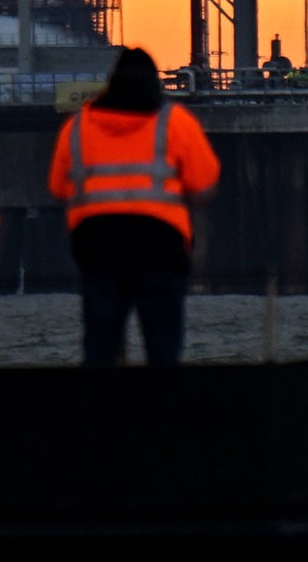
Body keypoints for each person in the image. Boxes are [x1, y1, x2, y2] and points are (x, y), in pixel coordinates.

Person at [50, 47, 220, 367]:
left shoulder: (78, 126)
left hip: (97, 246)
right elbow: (205, 184)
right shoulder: (175, 123)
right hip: (159, 247)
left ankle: (101, 412)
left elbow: (58, 187)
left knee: (100, 348)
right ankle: (158, 412)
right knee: (163, 350)